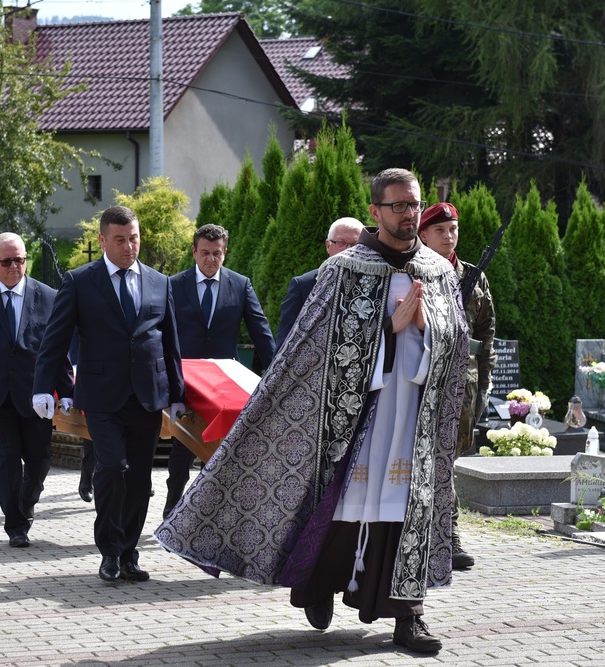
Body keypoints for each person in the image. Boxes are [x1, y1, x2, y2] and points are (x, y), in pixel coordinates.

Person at [156, 168, 468, 654]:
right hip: (353, 421)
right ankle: (318, 585)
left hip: (414, 416)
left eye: (413, 205)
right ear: (376, 212)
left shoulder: (439, 271)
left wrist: (429, 330)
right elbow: (317, 353)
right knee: (345, 503)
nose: (408, 215)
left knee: (407, 509)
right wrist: (388, 329)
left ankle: (408, 616)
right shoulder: (344, 271)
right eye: (398, 206)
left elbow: (457, 350)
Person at [32, 205, 184, 584]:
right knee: (113, 468)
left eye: (134, 238)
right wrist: (42, 386)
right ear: (102, 240)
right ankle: (110, 550)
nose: (129, 246)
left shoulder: (159, 282)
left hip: (147, 395)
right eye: (120, 240)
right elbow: (54, 340)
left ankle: (129, 552)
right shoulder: (80, 281)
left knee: (139, 480)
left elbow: (171, 343)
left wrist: (178, 395)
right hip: (101, 396)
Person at [164, 223, 275, 517]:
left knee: (219, 447)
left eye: (216, 253)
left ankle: (211, 512)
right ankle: (172, 507)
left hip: (223, 385)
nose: (209, 259)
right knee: (183, 447)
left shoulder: (240, 285)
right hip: (187, 383)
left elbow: (260, 331)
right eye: (204, 253)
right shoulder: (173, 285)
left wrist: (277, 373)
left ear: (225, 253)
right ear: (194, 252)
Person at [0, 232, 73, 548]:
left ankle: (27, 502)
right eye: (6, 261)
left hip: (36, 395)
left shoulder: (48, 296)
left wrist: (66, 391)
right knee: (4, 458)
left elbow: (57, 348)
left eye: (19, 259)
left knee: (39, 459)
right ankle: (16, 525)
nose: (14, 266)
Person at [417, 202, 496, 570]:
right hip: (419, 378)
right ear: (423, 235)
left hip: (463, 383)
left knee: (447, 458)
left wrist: (483, 386)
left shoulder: (474, 277)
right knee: (425, 459)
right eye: (440, 231)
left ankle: (445, 534)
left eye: (453, 229)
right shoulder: (412, 271)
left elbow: (486, 335)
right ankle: (442, 534)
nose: (449, 237)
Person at [275, 217, 364, 351]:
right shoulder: (303, 285)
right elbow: (286, 340)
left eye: (356, 244)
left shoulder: (371, 285)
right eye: (341, 242)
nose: (349, 250)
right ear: (328, 245)